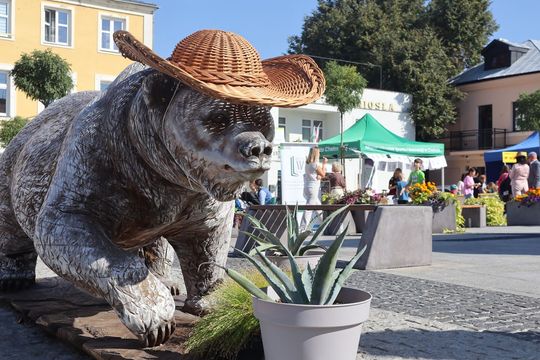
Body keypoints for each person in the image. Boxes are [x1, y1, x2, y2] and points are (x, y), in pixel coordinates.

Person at [300, 147, 327, 229]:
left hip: (308, 186)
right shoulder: (315, 164)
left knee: (318, 207)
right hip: (313, 187)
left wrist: (318, 176)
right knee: (309, 208)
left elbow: (316, 175)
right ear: (316, 154)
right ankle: (302, 228)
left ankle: (325, 224)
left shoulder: (308, 163)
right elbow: (323, 174)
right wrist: (324, 164)